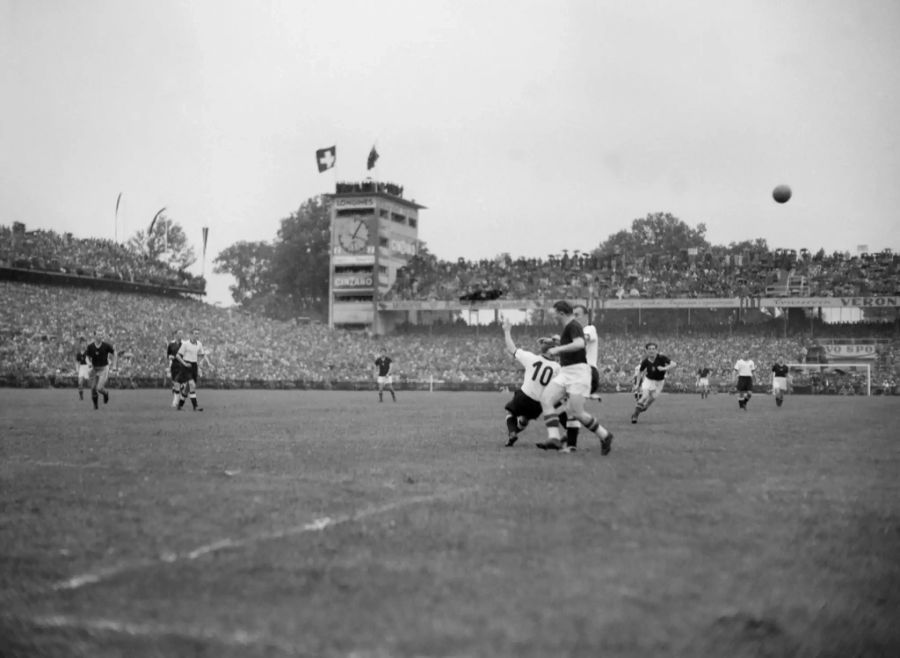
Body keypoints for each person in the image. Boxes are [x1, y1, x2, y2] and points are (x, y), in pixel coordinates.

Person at [537, 301, 613, 455]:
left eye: (554, 313)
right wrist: (552, 342)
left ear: (561, 313)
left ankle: (605, 435)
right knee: (546, 399)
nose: (553, 316)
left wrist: (557, 349)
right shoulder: (570, 327)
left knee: (576, 412)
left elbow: (579, 343)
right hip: (566, 372)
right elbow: (573, 342)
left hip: (579, 372)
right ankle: (554, 438)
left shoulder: (574, 325)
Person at [500, 317, 563, 447]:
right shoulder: (557, 368)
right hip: (538, 403)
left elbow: (512, 348)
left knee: (510, 414)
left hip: (524, 396)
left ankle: (512, 433)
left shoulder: (531, 358)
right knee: (524, 420)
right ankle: (516, 430)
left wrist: (507, 331)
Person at [565, 304, 601, 450]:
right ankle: (571, 444)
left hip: (587, 372)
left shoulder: (589, 329)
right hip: (579, 373)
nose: (574, 317)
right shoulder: (576, 333)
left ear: (586, 316)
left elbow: (581, 342)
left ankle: (604, 436)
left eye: (577, 314)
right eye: (572, 314)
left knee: (568, 408)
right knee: (571, 410)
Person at [631, 343, 676, 424]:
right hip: (649, 380)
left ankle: (641, 409)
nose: (651, 351)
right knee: (644, 396)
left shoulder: (661, 358)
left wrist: (664, 368)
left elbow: (674, 364)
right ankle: (635, 416)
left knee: (647, 404)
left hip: (659, 382)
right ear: (646, 351)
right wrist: (637, 384)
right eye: (649, 349)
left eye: (653, 349)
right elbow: (640, 372)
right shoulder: (645, 361)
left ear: (656, 350)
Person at [175, 327, 210, 411]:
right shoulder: (186, 344)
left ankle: (180, 405)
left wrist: (206, 362)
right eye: (195, 333)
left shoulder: (199, 344)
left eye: (198, 333)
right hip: (186, 366)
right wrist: (184, 363)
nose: (197, 335)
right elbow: (178, 356)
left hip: (194, 366)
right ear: (191, 334)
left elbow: (203, 354)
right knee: (192, 385)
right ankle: (195, 406)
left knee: (187, 388)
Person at [85, 328, 117, 410]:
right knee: (93, 388)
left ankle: (105, 393)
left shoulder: (106, 346)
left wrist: (114, 366)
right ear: (95, 336)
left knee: (99, 388)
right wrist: (88, 363)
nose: (101, 336)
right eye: (99, 334)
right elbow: (87, 357)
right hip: (94, 369)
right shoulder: (90, 346)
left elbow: (115, 353)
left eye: (102, 334)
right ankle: (95, 406)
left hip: (103, 369)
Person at [166, 329, 184, 408]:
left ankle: (175, 402)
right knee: (176, 384)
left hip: (182, 366)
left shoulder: (184, 344)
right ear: (176, 334)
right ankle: (178, 398)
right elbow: (168, 355)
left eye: (182, 333)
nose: (181, 335)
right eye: (179, 333)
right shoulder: (171, 344)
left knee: (177, 383)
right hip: (174, 366)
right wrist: (170, 357)